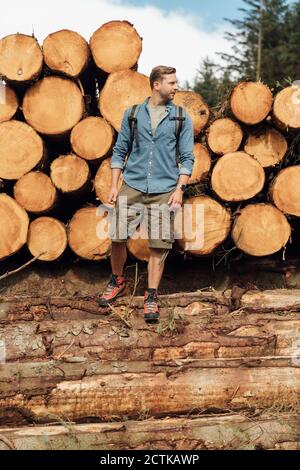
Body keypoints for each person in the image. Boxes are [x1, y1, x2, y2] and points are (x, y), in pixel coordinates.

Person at [96, 65, 195, 323]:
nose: (176, 87)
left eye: (176, 82)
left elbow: (187, 158)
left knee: (159, 245)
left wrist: (180, 189)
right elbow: (120, 152)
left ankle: (151, 295)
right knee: (117, 236)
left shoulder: (181, 118)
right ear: (156, 85)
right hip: (132, 184)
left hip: (164, 189)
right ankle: (117, 281)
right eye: (171, 83)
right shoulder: (132, 115)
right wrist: (115, 185)